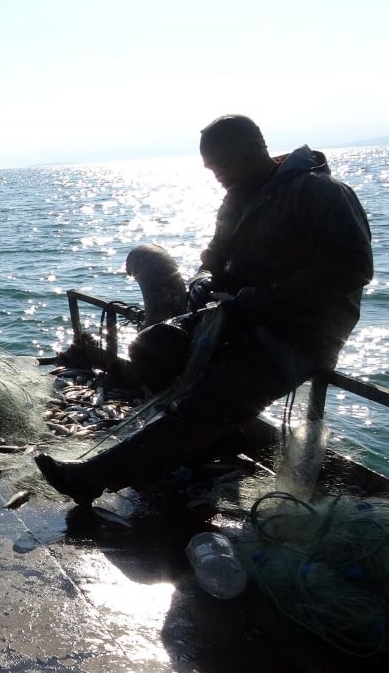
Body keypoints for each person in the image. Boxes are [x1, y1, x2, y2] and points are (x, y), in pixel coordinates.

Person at [36, 114, 373, 506]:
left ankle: (93, 477)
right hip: (234, 316)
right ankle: (204, 439)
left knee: (216, 392)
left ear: (256, 152)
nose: (219, 176)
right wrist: (202, 280)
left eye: (224, 165)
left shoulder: (322, 193)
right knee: (153, 346)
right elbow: (211, 258)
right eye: (212, 169)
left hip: (299, 333)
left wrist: (261, 299)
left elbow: (352, 267)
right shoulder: (236, 199)